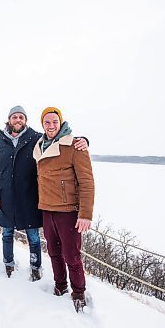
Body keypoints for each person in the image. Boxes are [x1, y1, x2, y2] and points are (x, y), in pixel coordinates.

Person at [0, 106, 88, 282]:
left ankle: (35, 268)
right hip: (6, 198)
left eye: (21, 117)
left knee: (33, 237)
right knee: (6, 234)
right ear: (9, 120)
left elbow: (56, 141)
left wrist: (84, 140)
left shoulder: (35, 139)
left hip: (30, 197)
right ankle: (8, 264)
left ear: (26, 120)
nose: (18, 120)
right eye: (14, 117)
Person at [32, 107, 95, 312]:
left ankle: (78, 293)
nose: (51, 126)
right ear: (43, 124)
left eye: (55, 122)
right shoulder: (39, 146)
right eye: (47, 122)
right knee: (53, 252)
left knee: (71, 255)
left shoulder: (74, 145)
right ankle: (60, 286)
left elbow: (87, 182)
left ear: (61, 123)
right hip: (47, 208)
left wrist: (85, 214)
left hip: (68, 210)